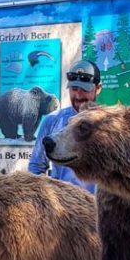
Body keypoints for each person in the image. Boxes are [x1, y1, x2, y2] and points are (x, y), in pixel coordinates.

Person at [28, 59, 103, 192]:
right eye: (74, 89)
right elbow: (36, 168)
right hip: (64, 208)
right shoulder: (52, 121)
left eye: (84, 90)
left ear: (98, 88)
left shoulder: (108, 126)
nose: (78, 95)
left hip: (98, 208)